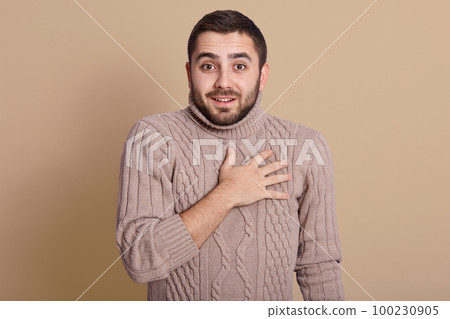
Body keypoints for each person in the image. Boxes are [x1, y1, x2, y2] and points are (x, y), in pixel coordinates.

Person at [116, 9, 344, 301]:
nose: (224, 82)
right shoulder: (151, 138)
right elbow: (140, 261)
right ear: (189, 74)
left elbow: (319, 267)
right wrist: (227, 194)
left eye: (239, 66)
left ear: (262, 76)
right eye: (209, 66)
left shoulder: (306, 146)